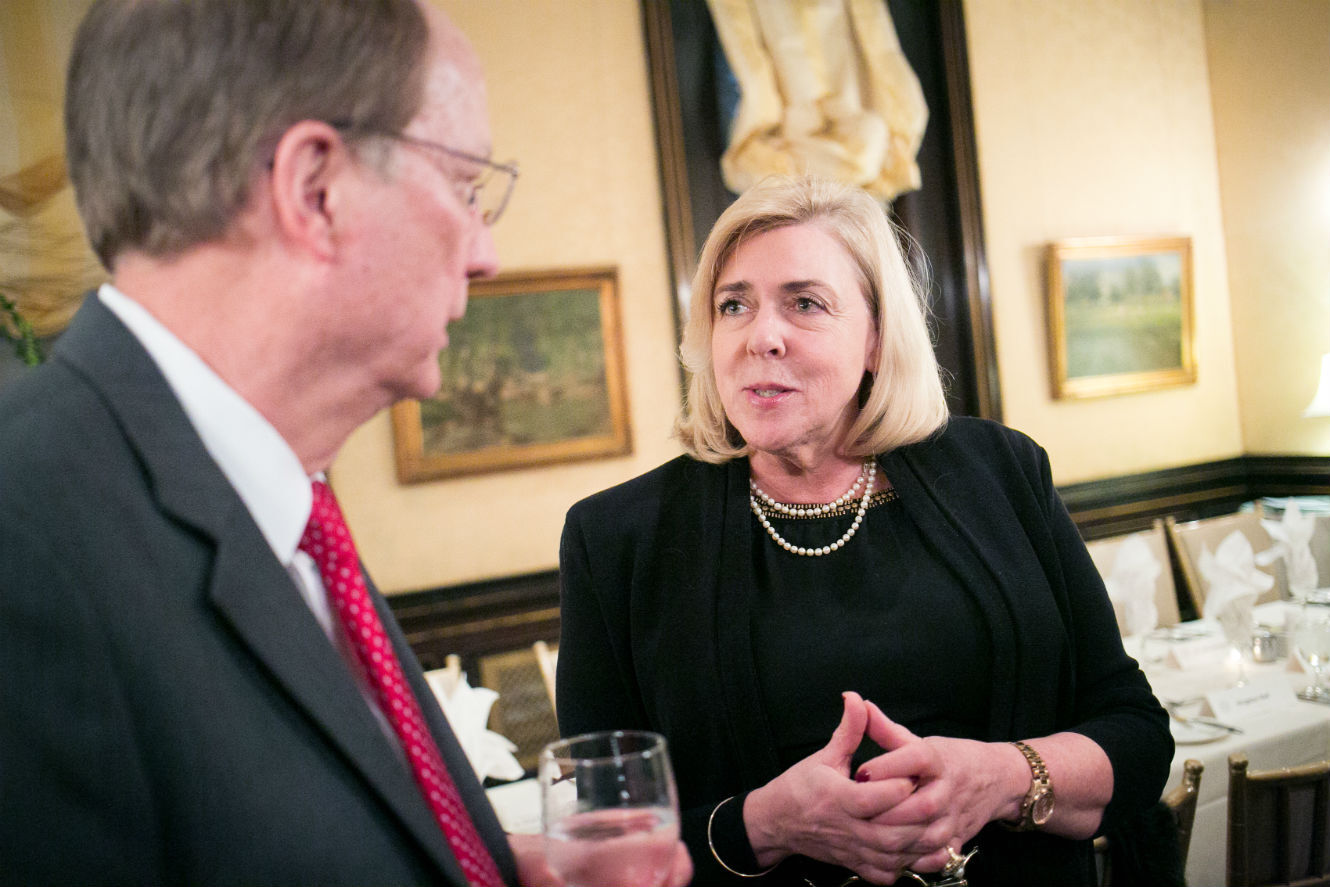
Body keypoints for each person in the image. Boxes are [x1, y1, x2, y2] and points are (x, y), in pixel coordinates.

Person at [0, 2, 693, 886]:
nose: (486, 253)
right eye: (466, 186)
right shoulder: (27, 539)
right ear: (315, 191)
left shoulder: (282, 497)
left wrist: (509, 870)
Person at [556, 175, 1174, 886]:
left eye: (805, 303)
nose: (761, 336)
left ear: (877, 338)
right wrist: (762, 825)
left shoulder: (1001, 472)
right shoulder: (616, 539)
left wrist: (1004, 776)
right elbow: (600, 845)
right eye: (734, 305)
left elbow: (1135, 736)